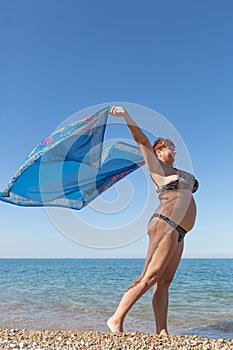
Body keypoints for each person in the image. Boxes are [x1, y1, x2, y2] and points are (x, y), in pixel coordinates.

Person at [107, 106, 199, 335]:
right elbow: (140, 139)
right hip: (165, 222)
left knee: (164, 281)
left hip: (180, 230)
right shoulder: (157, 167)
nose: (174, 151)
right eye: (170, 147)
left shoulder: (178, 170)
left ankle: (162, 330)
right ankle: (116, 319)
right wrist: (126, 115)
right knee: (150, 275)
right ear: (158, 151)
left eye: (175, 148)